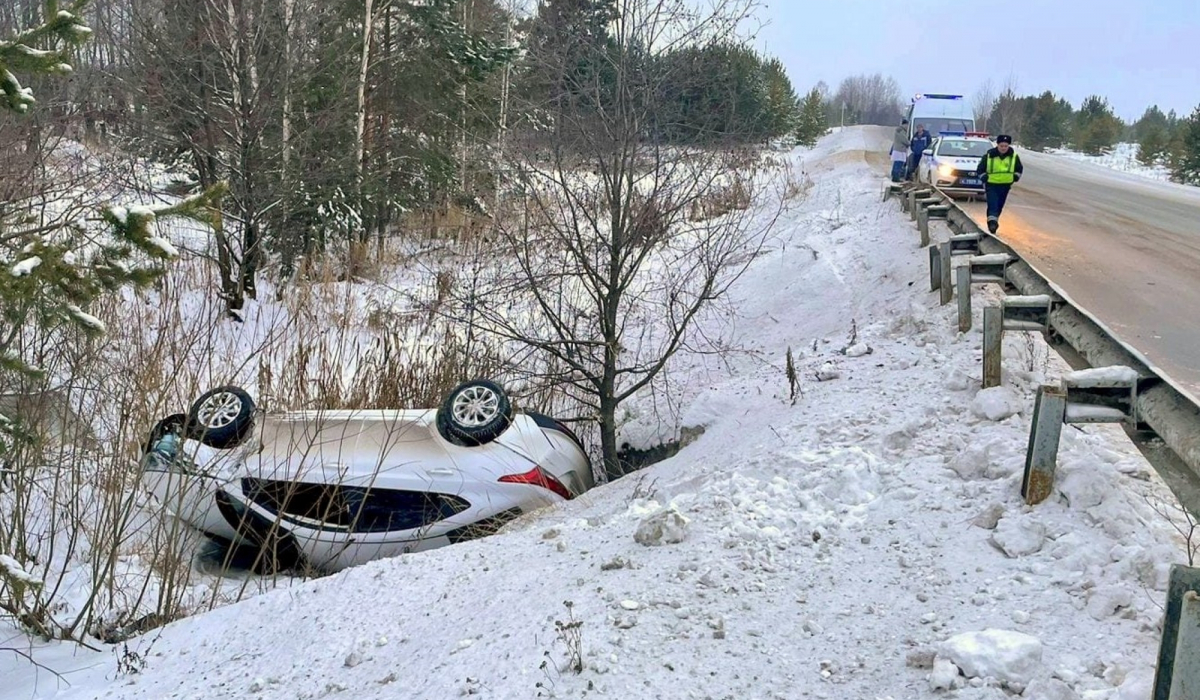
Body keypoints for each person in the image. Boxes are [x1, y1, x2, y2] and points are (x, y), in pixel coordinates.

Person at [975, 134, 1023, 233]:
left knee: (999, 205)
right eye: (1001, 146)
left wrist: (1015, 177)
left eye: (1006, 146)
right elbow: (980, 169)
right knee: (993, 204)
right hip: (991, 184)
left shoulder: (1013, 157)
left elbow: (1019, 169)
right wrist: (984, 177)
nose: (1003, 148)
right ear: (997, 145)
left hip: (1005, 186)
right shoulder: (989, 156)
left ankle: (993, 220)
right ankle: (992, 224)